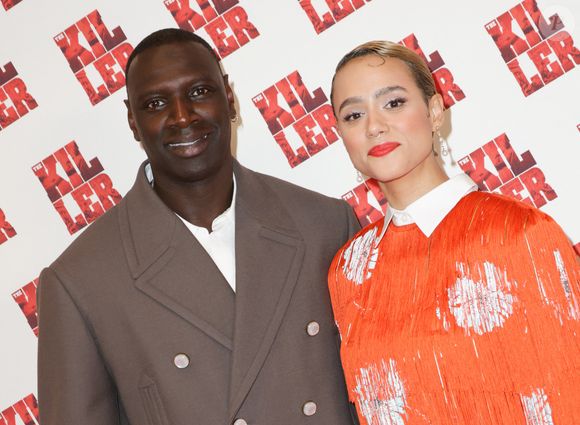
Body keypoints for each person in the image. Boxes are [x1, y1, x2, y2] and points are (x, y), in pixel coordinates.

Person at [37, 28, 360, 425]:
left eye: (198, 93)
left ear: (229, 97)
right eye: (156, 103)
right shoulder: (81, 282)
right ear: (133, 122)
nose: (181, 117)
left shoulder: (325, 226)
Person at [328, 40, 580, 425]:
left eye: (393, 103)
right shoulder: (349, 269)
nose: (374, 126)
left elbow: (568, 393)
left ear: (434, 111)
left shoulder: (519, 233)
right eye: (354, 115)